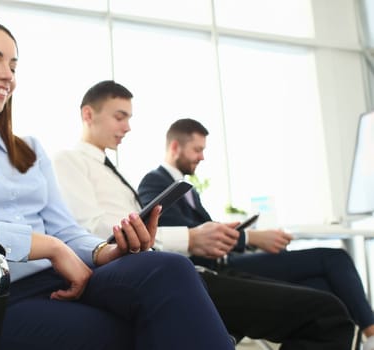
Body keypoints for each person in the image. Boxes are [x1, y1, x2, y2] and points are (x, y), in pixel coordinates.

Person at [0, 17, 235, 349]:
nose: (6, 75)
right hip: (5, 300)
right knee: (136, 333)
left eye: (13, 65)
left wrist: (105, 250)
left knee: (172, 269)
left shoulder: (29, 150)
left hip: (74, 278)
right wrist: (46, 246)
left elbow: (64, 228)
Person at [52, 79, 358, 349]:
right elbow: (91, 230)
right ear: (88, 114)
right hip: (160, 272)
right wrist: (191, 238)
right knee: (327, 317)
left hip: (181, 268)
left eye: (129, 118)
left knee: (323, 299)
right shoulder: (69, 161)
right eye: (120, 117)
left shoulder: (114, 172)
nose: (128, 127)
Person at [138, 117, 374, 349]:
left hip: (225, 260)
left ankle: (364, 335)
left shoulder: (188, 189)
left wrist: (242, 236)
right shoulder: (155, 181)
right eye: (197, 149)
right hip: (216, 267)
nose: (202, 157)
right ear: (175, 146)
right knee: (334, 259)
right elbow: (177, 231)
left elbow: (202, 230)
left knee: (322, 285)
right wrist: (249, 238)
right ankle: (370, 331)